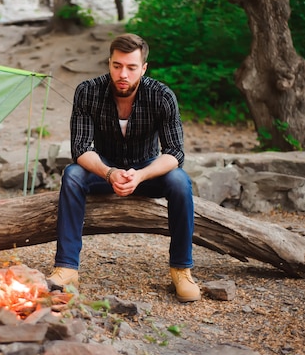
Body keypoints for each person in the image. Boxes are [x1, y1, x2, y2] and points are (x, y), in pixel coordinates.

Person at [46, 33, 201, 302]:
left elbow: (175, 152)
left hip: (146, 170)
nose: (123, 74)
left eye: (131, 67)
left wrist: (140, 175)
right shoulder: (88, 91)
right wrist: (109, 172)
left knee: (179, 181)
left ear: (143, 68)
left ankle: (181, 269)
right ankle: (67, 267)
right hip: (103, 169)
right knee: (72, 175)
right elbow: (81, 149)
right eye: (117, 66)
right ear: (109, 63)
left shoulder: (162, 96)